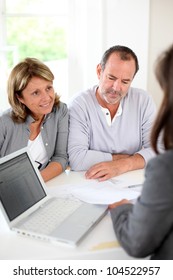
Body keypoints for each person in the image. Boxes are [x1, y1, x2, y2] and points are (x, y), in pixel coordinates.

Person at [109, 44, 173, 260]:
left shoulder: (166, 168)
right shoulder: (81, 102)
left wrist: (121, 209)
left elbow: (137, 243)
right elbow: (78, 156)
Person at [68, 45, 156, 181]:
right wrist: (131, 158)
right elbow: (76, 159)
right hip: (92, 182)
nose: (116, 88)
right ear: (99, 71)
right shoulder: (79, 104)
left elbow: (159, 150)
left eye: (125, 81)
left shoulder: (143, 100)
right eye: (111, 78)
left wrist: (122, 165)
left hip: (133, 180)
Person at [0, 58, 68, 182]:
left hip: (43, 188)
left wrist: (35, 184)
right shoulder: (4, 123)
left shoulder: (60, 111)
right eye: (36, 93)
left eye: (48, 88)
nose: (47, 98)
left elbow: (61, 157)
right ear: (19, 97)